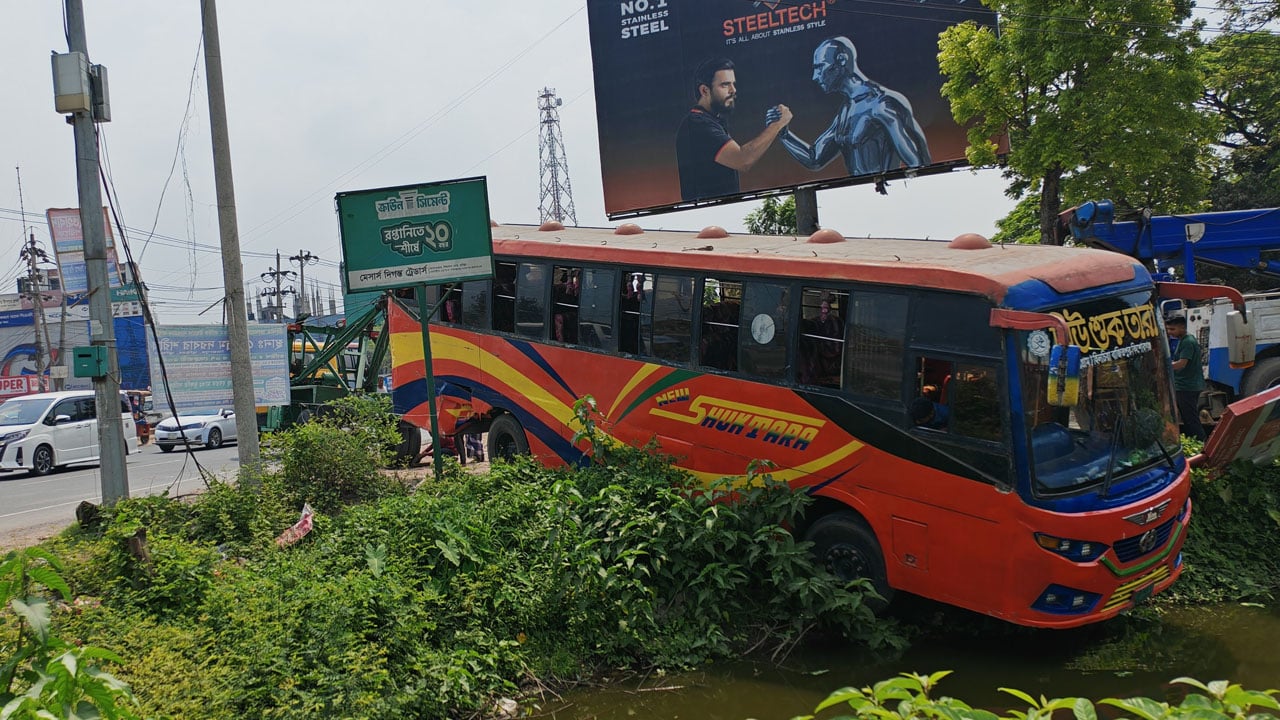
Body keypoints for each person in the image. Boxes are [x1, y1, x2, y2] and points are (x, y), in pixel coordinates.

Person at [767, 36, 930, 177]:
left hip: (888, 198)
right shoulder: (845, 112)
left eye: (820, 67)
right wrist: (783, 133)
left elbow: (919, 163)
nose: (815, 76)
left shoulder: (883, 104)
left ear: (842, 60)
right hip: (859, 200)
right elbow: (814, 158)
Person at [676, 58, 793, 201]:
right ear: (704, 90)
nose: (733, 90)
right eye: (725, 85)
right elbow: (743, 160)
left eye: (733, 84)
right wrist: (777, 124)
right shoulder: (697, 124)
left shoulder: (711, 120)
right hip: (710, 212)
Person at [1167, 315, 1207, 441]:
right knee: (1188, 418)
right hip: (1187, 385)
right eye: (1168, 329)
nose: (1170, 332)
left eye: (1172, 329)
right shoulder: (1184, 340)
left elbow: (1182, 363)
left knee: (1191, 419)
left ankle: (1202, 443)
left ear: (1182, 327)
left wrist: (1164, 366)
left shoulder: (1188, 342)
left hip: (1187, 386)